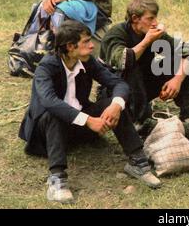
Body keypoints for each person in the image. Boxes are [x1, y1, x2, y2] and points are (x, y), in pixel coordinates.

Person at [18, 20, 161, 204]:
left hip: (78, 129)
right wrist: (87, 120)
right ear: (70, 46)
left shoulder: (87, 61)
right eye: (86, 42)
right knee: (54, 112)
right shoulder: (46, 67)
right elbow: (49, 101)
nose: (92, 45)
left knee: (113, 102)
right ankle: (57, 179)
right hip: (46, 136)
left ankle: (138, 162)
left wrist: (116, 105)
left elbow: (118, 83)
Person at [100, 0, 189, 139]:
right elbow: (123, 61)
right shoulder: (117, 34)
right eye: (150, 19)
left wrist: (176, 80)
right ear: (135, 18)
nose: (155, 23)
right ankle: (141, 122)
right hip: (115, 92)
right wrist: (147, 41)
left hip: (141, 86)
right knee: (132, 67)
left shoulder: (153, 34)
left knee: (175, 63)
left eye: (155, 18)